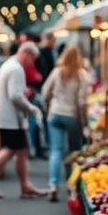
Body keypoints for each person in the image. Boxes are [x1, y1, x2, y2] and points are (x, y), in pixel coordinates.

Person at [0, 42, 48, 199]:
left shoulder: (9, 65)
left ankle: (25, 185)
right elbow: (15, 95)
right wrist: (31, 108)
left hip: (7, 117)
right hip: (11, 118)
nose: (32, 64)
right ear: (26, 54)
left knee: (21, 151)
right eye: (32, 59)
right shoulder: (16, 69)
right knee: (9, 149)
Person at [41, 44, 88, 202]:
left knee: (56, 150)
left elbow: (45, 92)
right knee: (74, 152)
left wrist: (48, 109)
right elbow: (82, 101)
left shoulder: (56, 72)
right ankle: (72, 186)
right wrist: (83, 121)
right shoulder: (81, 75)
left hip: (55, 113)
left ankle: (53, 185)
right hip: (72, 116)